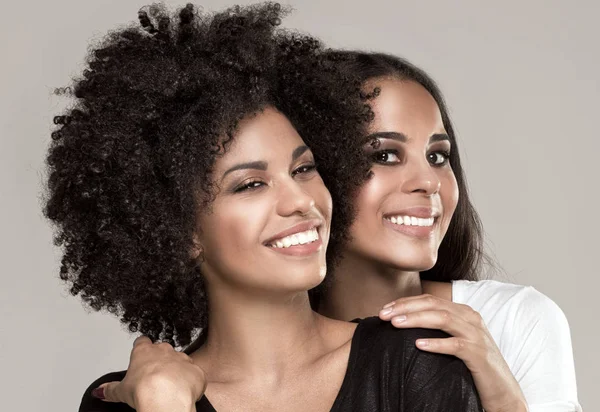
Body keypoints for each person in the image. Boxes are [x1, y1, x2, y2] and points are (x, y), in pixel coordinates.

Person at [44, 3, 484, 412]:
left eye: (304, 169)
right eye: (251, 184)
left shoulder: (415, 360)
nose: (301, 201)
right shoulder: (128, 399)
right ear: (180, 232)